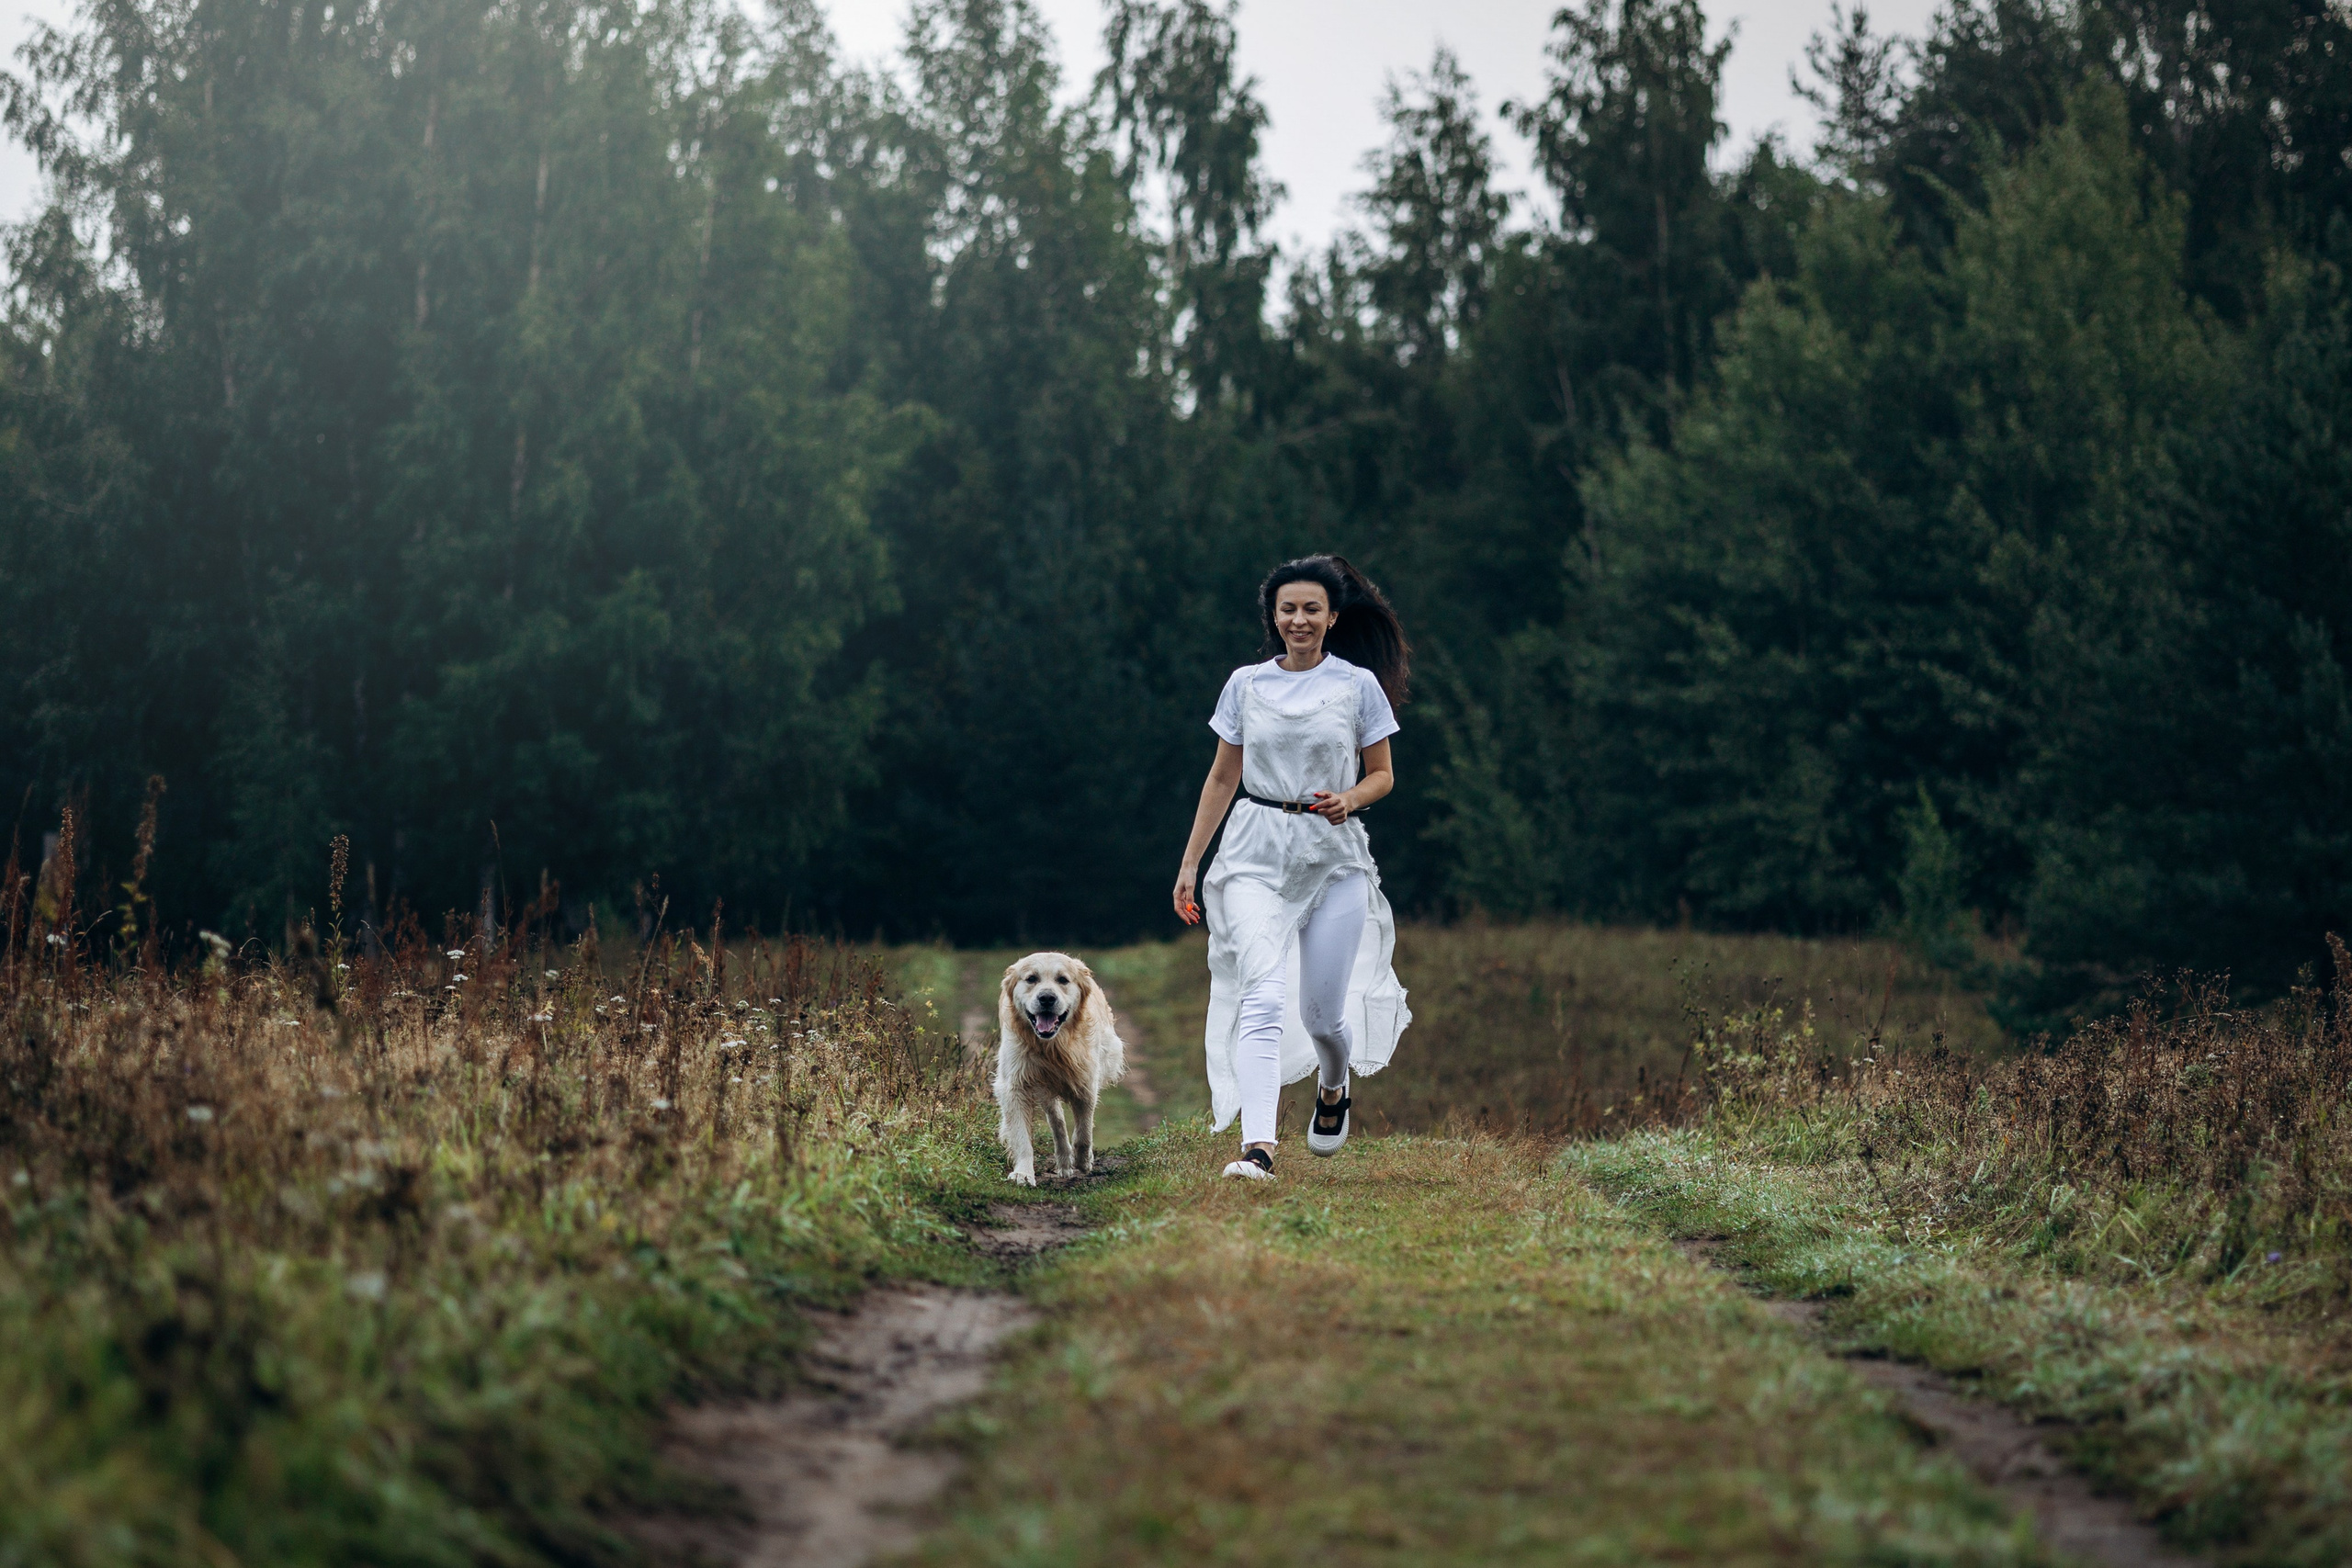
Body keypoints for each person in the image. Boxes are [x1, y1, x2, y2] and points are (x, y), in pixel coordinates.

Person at [1172, 555, 1414, 1180]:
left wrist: (1350, 799)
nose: (1299, 619)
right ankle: (1259, 1148)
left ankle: (1334, 1087)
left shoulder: (1356, 685)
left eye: (1311, 608)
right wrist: (1191, 861)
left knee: (1321, 1015)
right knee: (1261, 995)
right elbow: (1224, 774)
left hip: (1333, 854)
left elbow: (1382, 774)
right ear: (1273, 618)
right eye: (1288, 609)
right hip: (1255, 849)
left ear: (1332, 617)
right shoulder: (1246, 685)